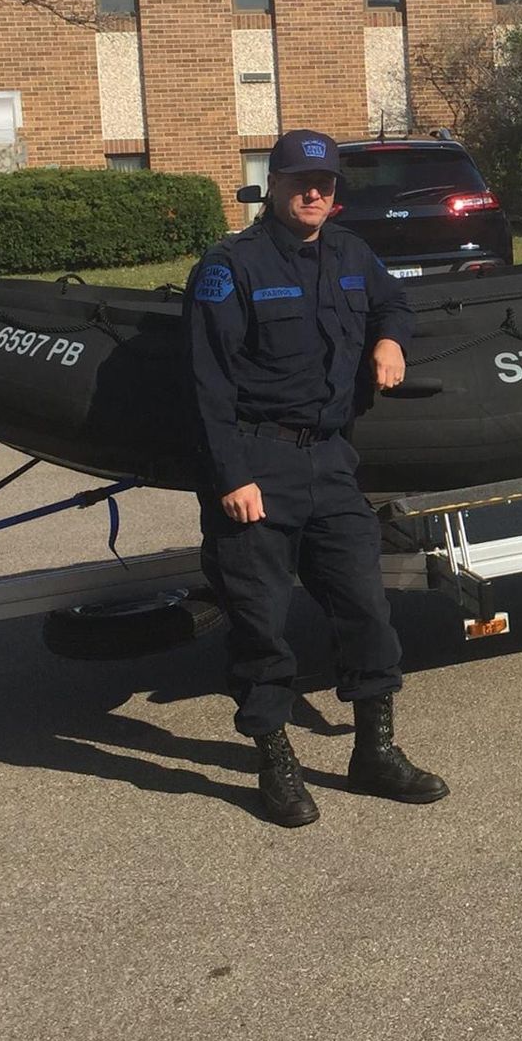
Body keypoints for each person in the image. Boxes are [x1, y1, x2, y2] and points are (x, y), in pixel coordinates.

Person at [184, 128, 448, 826]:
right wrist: (231, 478)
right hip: (256, 461)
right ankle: (275, 760)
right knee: (262, 622)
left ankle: (374, 751)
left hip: (330, 459)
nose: (314, 192)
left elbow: (394, 302)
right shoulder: (230, 266)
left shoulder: (352, 252)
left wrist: (391, 340)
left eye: (326, 183)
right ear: (271, 185)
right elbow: (206, 386)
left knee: (366, 605)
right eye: (301, 182)